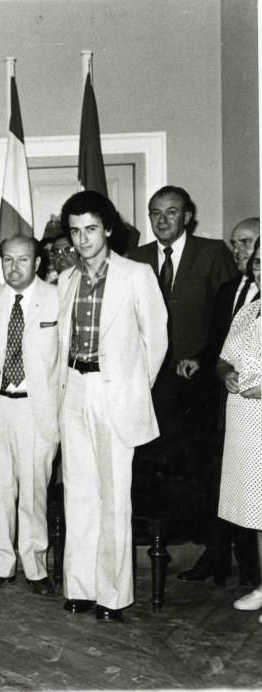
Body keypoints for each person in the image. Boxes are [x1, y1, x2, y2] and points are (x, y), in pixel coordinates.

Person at [57, 191, 168, 622]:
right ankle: (81, 588)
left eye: (90, 229)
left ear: (107, 229)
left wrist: (130, 389)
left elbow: (156, 342)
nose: (83, 239)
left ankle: (113, 595)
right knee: (79, 494)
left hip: (114, 393)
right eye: (75, 231)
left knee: (113, 497)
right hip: (75, 389)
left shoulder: (136, 275)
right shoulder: (67, 279)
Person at [0, 235, 60, 596]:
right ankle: (3, 560)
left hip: (36, 407)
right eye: (7, 259)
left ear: (37, 262)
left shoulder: (56, 299)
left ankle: (35, 564)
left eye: (22, 260)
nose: (14, 267)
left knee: (34, 487)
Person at [178, 217, 261, 586]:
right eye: (236, 244)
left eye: (247, 243)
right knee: (227, 488)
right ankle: (219, 559)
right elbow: (221, 346)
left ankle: (251, 573)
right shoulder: (233, 293)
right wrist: (208, 363)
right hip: (229, 408)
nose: (239, 252)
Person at [127, 186, 237, 446]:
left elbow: (230, 316)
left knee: (192, 463)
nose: (162, 220)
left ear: (187, 217)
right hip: (148, 380)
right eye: (155, 213)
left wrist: (204, 359)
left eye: (171, 212)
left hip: (196, 378)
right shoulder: (135, 258)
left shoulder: (212, 252)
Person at [216, 239, 262, 619]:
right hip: (245, 421)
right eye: (258, 264)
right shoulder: (248, 312)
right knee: (256, 508)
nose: (261, 271)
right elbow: (223, 359)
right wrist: (227, 374)